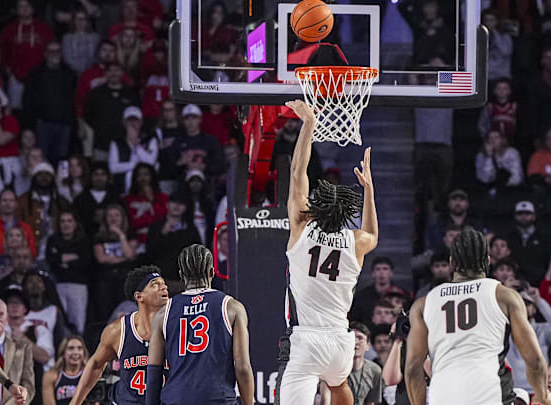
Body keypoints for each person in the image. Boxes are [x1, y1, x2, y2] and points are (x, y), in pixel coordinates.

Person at [277, 99, 378, 405]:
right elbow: (372, 233)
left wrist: (309, 124)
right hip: (339, 340)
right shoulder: (355, 241)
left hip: (307, 338)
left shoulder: (301, 229)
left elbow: (297, 173)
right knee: (338, 384)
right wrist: (369, 190)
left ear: (315, 208)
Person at [405, 227, 551, 405]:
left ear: (452, 263)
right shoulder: (504, 296)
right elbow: (535, 360)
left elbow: (413, 368)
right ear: (488, 261)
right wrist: (543, 396)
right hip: (491, 394)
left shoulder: (424, 304)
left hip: (443, 395)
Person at [145, 244, 254, 405]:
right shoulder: (231, 307)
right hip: (218, 399)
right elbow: (243, 368)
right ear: (212, 272)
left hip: (176, 400)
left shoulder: (163, 313)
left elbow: (154, 372)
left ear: (181, 275)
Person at [68, 266, 168, 405]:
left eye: (164, 284)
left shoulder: (176, 327)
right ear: (139, 296)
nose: (164, 288)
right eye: (155, 285)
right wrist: (75, 402)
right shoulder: (118, 330)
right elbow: (96, 364)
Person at [0, 296, 32, 405]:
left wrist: (11, 389)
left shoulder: (23, 347)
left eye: (1, 314)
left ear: (7, 318)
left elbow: (28, 387)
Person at [41, 336, 88, 405]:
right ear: (63, 353)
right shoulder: (51, 376)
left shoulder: (90, 375)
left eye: (79, 348)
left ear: (84, 353)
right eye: (71, 348)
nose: (76, 352)